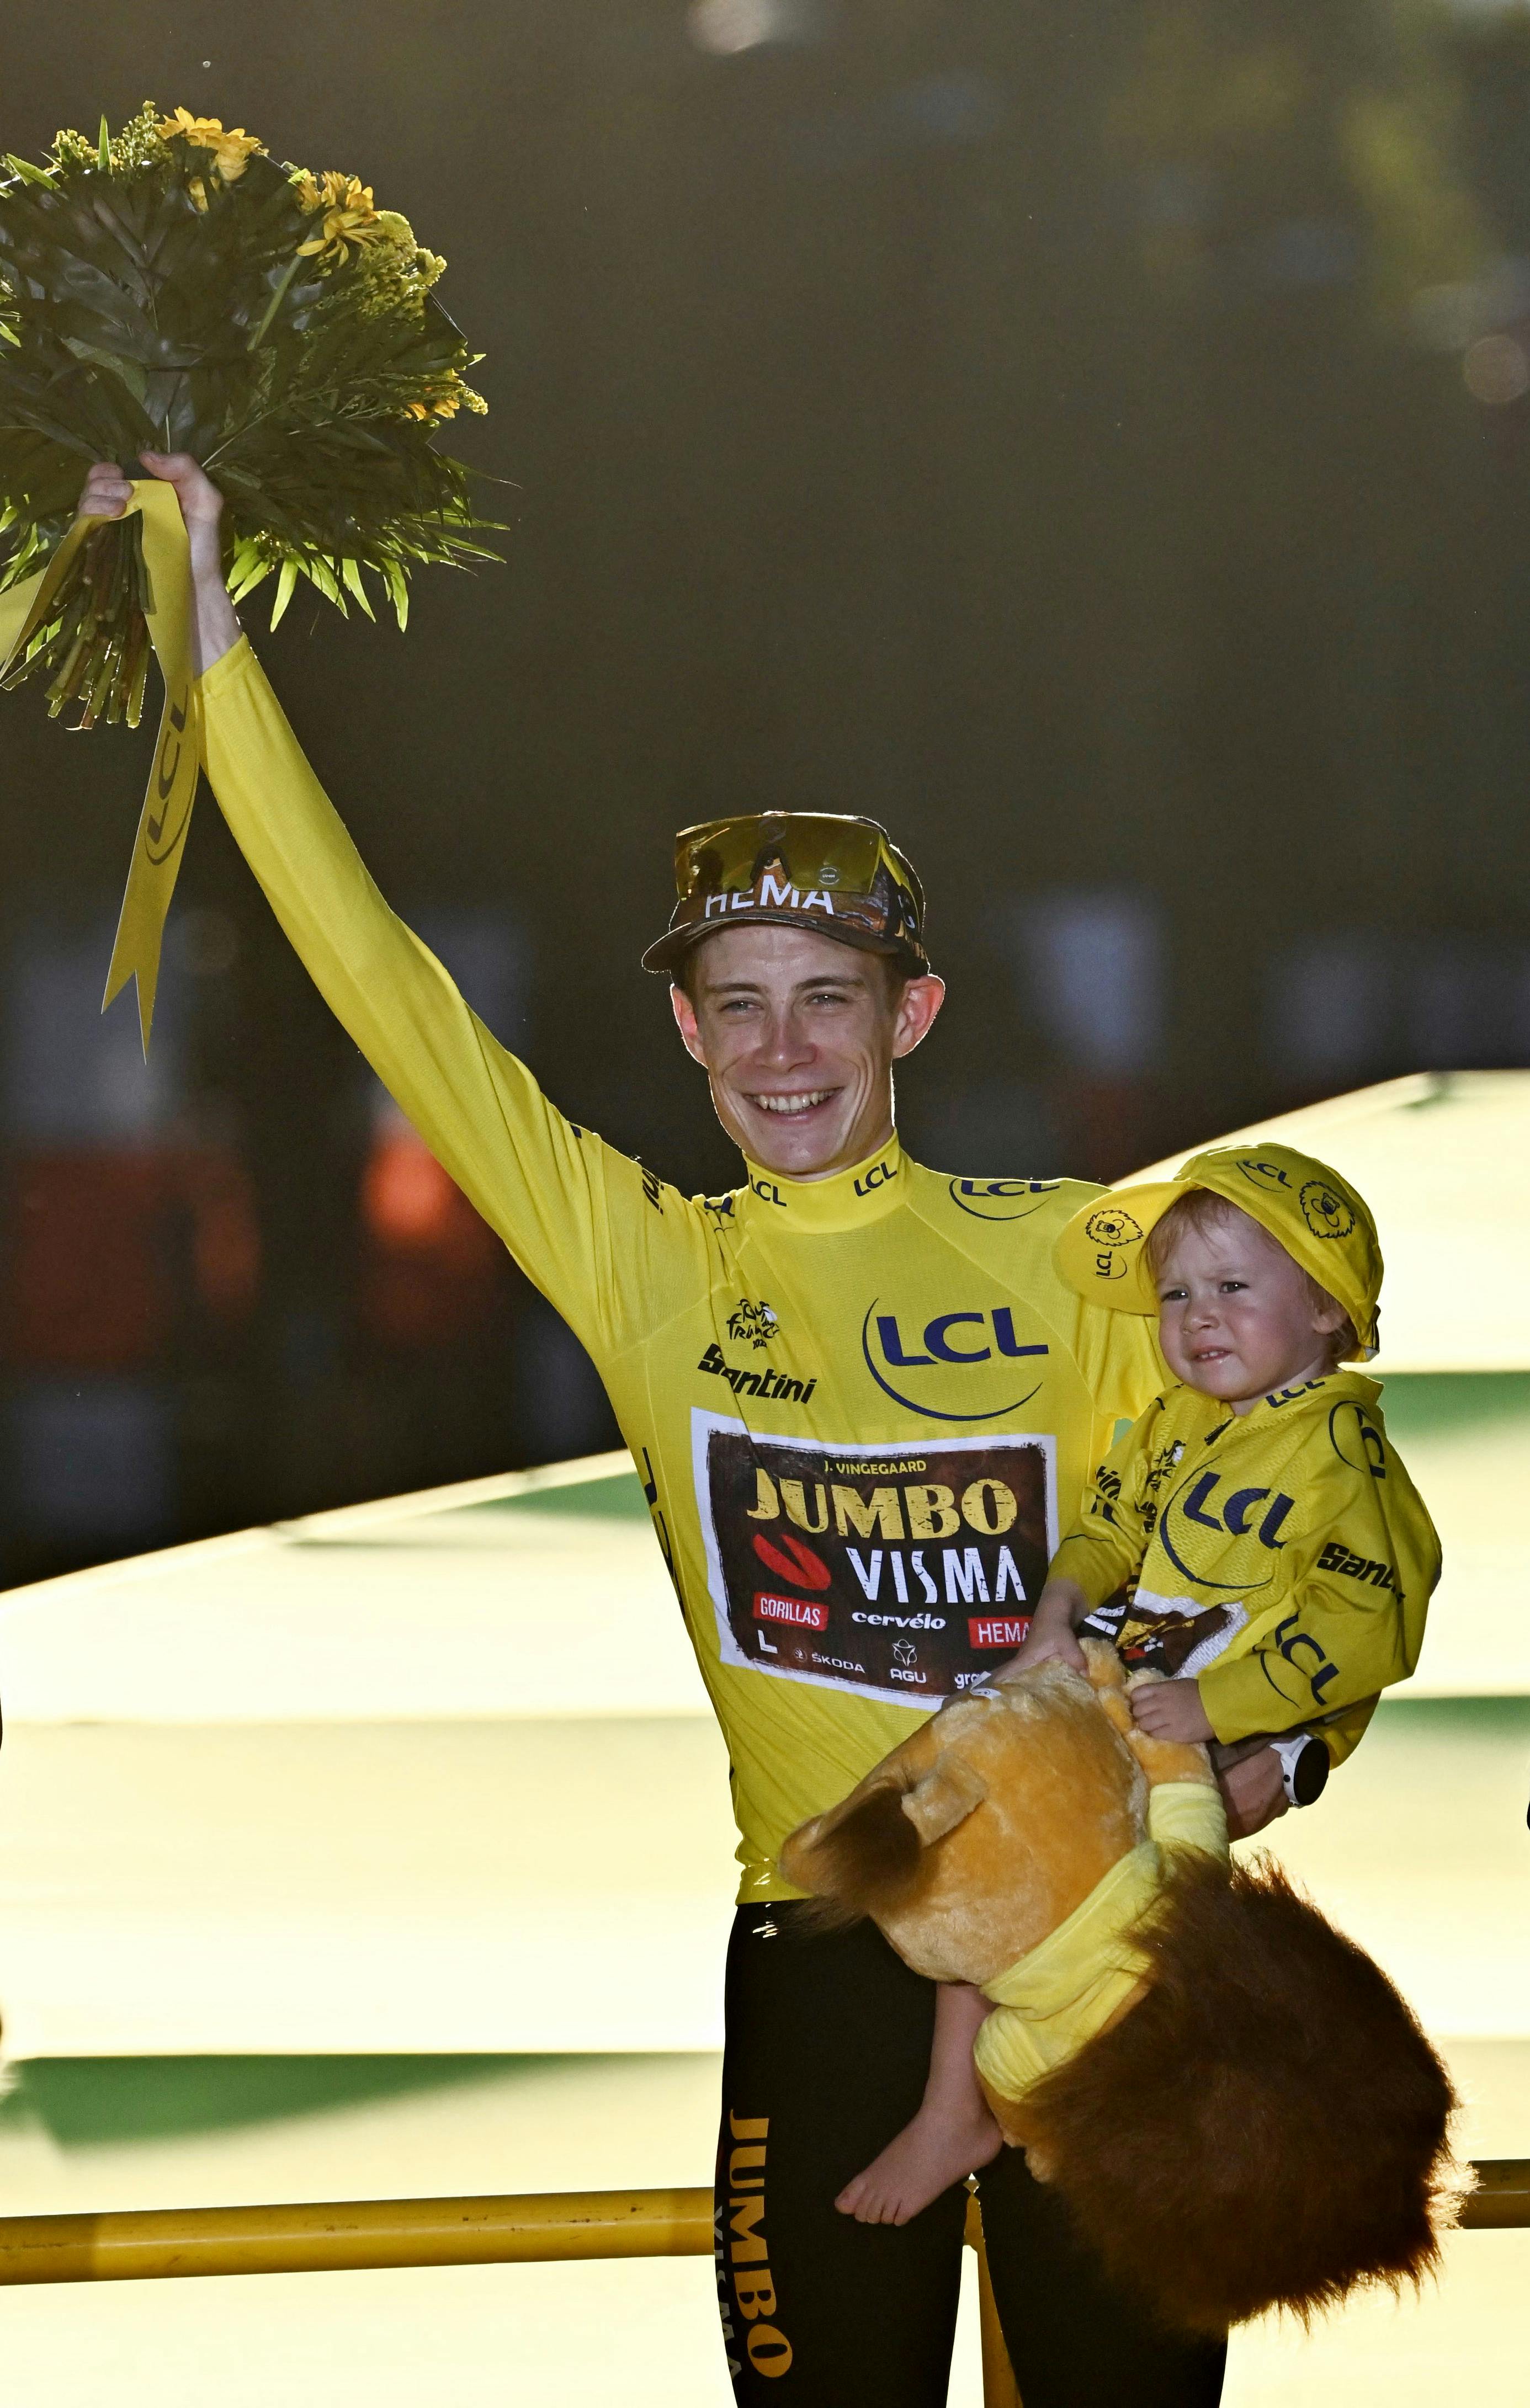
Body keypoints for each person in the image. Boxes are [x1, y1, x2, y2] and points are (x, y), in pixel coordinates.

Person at [77, 454, 1256, 2407]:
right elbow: (382, 980)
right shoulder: (644, 1267)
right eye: (742, 1004)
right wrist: (203, 615)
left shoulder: (1089, 1259)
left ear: (916, 1014)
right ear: (690, 1035)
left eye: (828, 998)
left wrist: (1260, 1744)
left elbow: (1297, 1491)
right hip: (819, 1953)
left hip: (1101, 1954)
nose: (787, 1047)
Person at [840, 1139, 1441, 2234]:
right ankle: (983, 2104)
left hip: (1222, 1732)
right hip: (1134, 1689)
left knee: (1131, 1932)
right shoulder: (1177, 1418)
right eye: (1175, 1294)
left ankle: (1048, 2117)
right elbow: (1112, 1524)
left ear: (1326, 1310)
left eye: (1232, 1288)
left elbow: (1373, 1628)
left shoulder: (1341, 1448)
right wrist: (1059, 1612)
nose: (1195, 1317)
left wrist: (1222, 1715)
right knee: (998, 1856)